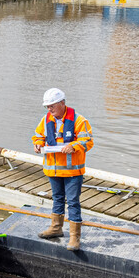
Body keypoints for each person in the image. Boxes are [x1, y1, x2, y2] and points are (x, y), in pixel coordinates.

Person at [33, 88, 93, 249]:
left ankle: (74, 237)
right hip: (53, 170)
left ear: (62, 103)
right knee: (57, 198)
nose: (49, 109)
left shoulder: (79, 120)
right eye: (47, 107)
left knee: (73, 202)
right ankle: (56, 228)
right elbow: (38, 135)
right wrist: (38, 143)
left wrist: (74, 146)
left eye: (52, 106)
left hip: (72, 171)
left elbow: (88, 141)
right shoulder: (46, 120)